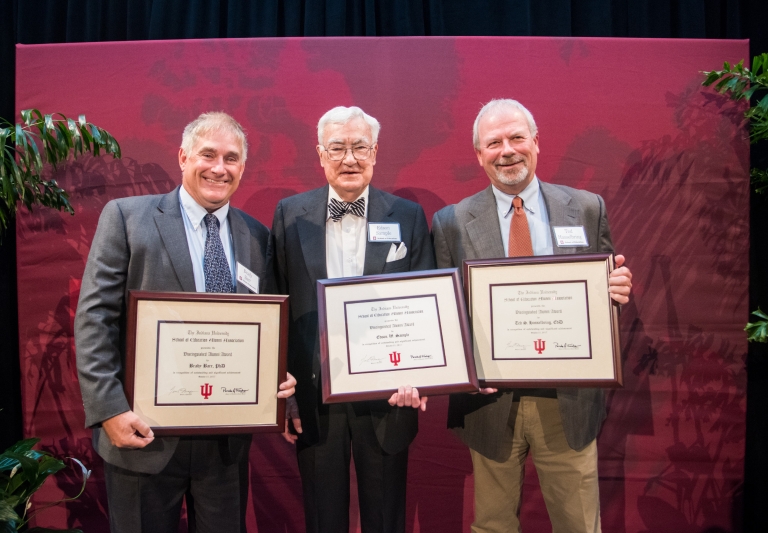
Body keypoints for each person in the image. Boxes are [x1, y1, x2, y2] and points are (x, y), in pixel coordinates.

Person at [75, 111, 296, 533]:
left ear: (243, 167)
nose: (219, 168)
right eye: (208, 154)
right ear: (182, 156)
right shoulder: (127, 218)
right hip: (141, 434)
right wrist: (110, 411)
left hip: (224, 445)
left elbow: (261, 330)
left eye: (231, 158)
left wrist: (276, 378)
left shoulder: (256, 237)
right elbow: (94, 319)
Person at [431, 99, 633, 533]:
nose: (507, 150)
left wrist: (615, 291)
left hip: (568, 401)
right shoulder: (450, 222)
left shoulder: (586, 207)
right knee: (492, 526)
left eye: (517, 137)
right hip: (489, 403)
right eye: (494, 142)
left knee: (579, 525)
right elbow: (446, 314)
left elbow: (603, 292)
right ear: (479, 155)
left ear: (536, 143)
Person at [268, 106, 434, 533]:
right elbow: (276, 307)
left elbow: (426, 307)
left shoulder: (408, 216)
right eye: (337, 148)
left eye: (359, 147)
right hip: (313, 397)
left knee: (386, 518)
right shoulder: (289, 214)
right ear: (320, 154)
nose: (349, 158)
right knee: (323, 519)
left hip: (389, 394)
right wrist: (283, 397)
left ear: (375, 153)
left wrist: (422, 374)